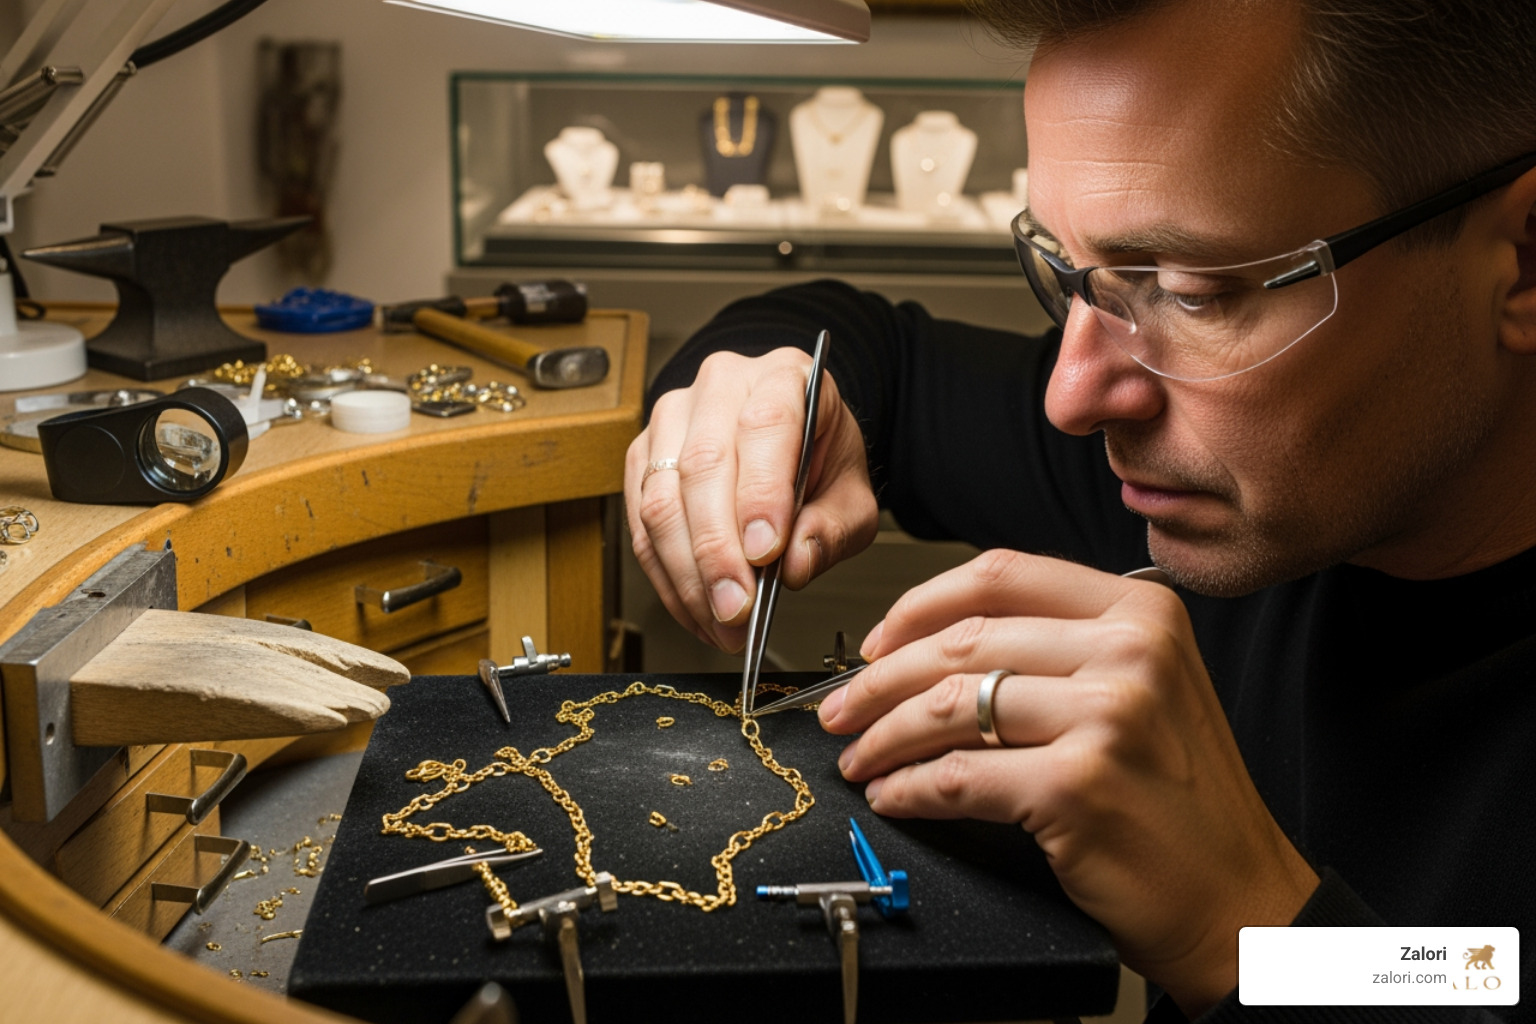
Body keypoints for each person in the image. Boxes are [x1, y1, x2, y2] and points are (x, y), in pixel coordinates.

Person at [625, 1, 1536, 1020]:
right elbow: (868, 342)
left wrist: (1247, 930)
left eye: (1192, 293)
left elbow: (1479, 971)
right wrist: (750, 397)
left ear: (1524, 260)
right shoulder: (1221, 473)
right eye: (1067, 272)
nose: (1072, 396)